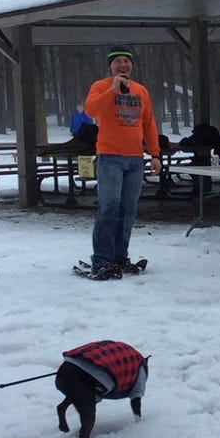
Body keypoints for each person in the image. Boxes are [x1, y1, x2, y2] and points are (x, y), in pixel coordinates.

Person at [83, 46, 161, 280]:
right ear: (110, 66)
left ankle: (120, 256)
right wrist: (112, 90)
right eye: (117, 62)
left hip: (135, 158)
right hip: (110, 157)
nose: (123, 65)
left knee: (128, 209)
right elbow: (90, 110)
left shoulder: (141, 91)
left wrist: (155, 153)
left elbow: (149, 123)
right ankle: (102, 260)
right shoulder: (100, 87)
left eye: (126, 61)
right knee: (109, 207)